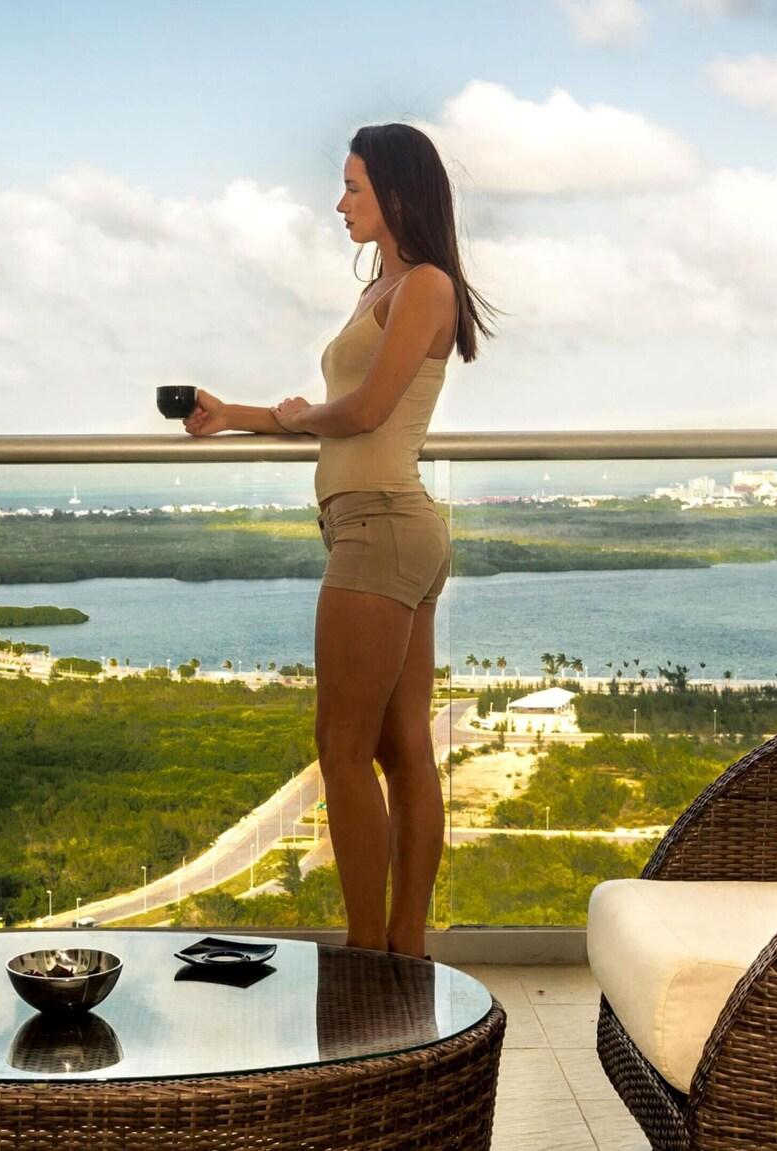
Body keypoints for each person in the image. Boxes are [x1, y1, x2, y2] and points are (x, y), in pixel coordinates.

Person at [183, 123, 494, 955]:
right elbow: (333, 415)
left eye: (353, 187)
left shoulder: (425, 285)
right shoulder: (383, 289)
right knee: (398, 745)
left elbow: (360, 415)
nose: (340, 202)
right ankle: (402, 953)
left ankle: (373, 951)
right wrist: (235, 416)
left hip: (382, 527)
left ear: (396, 194)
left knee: (343, 747)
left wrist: (292, 417)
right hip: (379, 528)